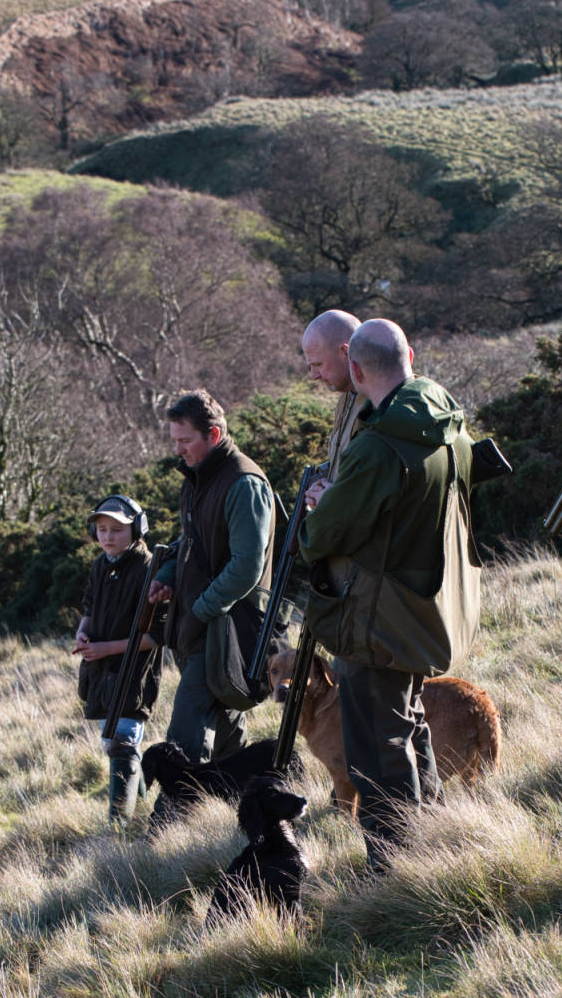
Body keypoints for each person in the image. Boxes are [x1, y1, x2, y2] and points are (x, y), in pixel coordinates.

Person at [298, 319, 478, 872]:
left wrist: (322, 505)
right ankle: (431, 835)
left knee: (377, 744)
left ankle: (392, 865)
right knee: (405, 723)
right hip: (421, 604)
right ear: (411, 355)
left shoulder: (377, 446)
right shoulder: (448, 424)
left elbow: (325, 535)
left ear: (355, 367)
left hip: (377, 614)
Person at [146, 391, 276, 762]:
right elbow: (191, 539)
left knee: (186, 727)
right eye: (174, 440)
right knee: (225, 720)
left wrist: (202, 609)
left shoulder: (244, 483)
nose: (178, 450)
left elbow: (247, 566)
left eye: (185, 441)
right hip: (204, 625)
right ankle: (230, 798)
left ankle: (175, 811)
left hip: (225, 626)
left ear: (214, 436)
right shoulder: (199, 477)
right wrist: (168, 573)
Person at [71, 495, 165, 821]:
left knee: (123, 743)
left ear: (137, 529)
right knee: (115, 744)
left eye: (117, 529)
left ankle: (118, 827)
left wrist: (106, 648)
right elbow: (89, 606)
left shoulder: (151, 567)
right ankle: (136, 816)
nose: (108, 537)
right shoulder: (100, 565)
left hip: (134, 674)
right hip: (99, 673)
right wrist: (84, 633)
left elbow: (158, 634)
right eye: (101, 530)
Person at [301, 309, 364, 474]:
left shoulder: (381, 403)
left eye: (318, 365)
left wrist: (332, 494)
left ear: (345, 352)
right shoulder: (345, 397)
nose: (314, 376)